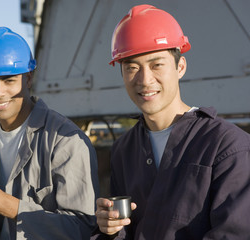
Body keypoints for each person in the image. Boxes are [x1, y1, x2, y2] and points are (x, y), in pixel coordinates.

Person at [92, 4, 250, 240]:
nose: (145, 80)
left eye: (157, 65)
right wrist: (111, 229)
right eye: (132, 67)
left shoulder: (227, 145)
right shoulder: (124, 150)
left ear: (180, 67)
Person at [0, 27, 99, 240]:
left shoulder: (65, 141)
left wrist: (7, 206)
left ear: (28, 79)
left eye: (9, 80)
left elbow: (81, 229)